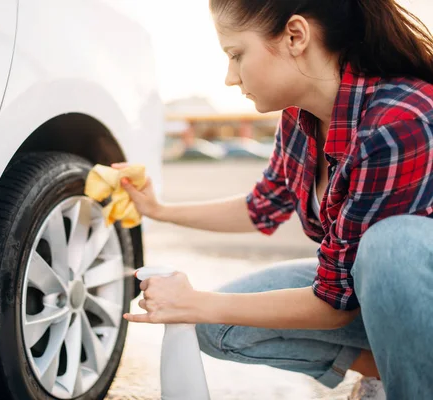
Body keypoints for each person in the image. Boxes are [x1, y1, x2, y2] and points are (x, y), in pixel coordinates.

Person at [116, 0, 433, 398]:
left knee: (391, 244)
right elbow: (260, 208)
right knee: (217, 327)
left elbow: (335, 306)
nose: (230, 77)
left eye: (236, 55)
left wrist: (195, 301)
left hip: (418, 289)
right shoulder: (299, 119)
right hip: (365, 296)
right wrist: (157, 210)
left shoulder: (398, 122)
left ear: (296, 36)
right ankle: (388, 371)